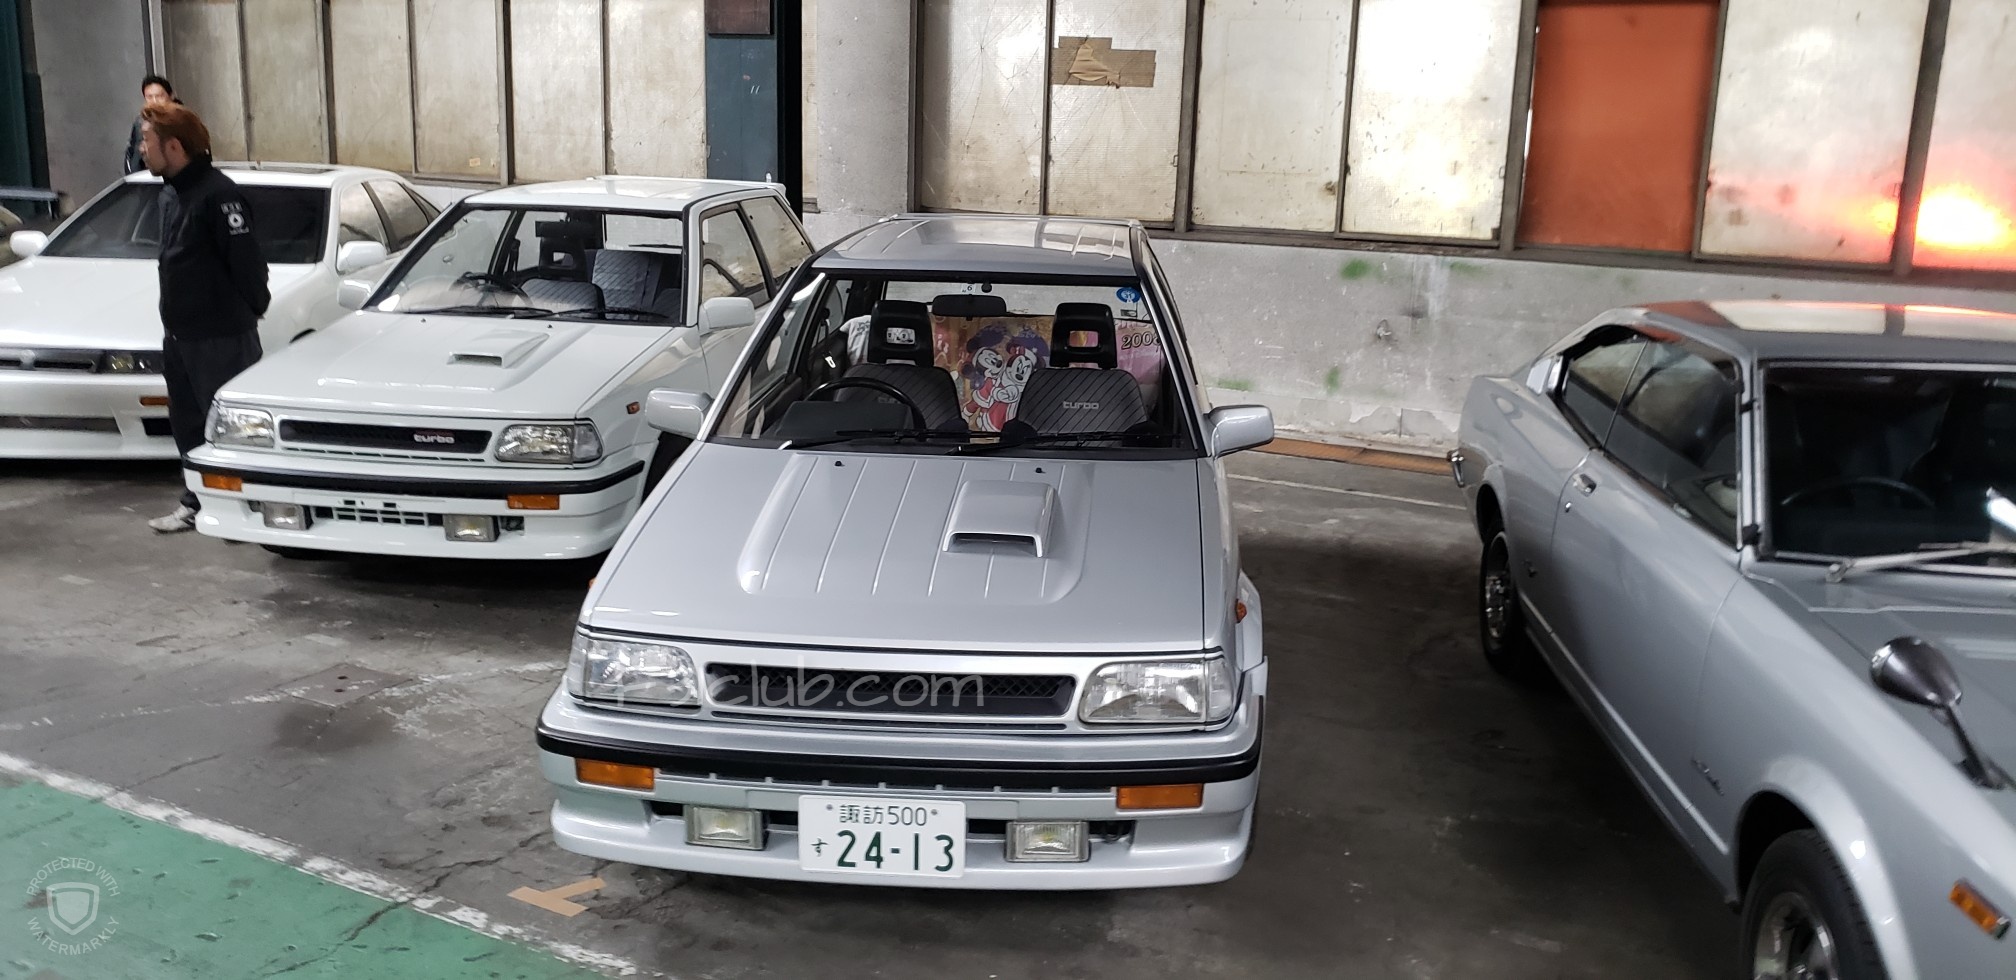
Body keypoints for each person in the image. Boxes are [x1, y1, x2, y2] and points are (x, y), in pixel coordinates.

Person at [138, 102, 269, 533]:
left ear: (174, 146)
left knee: (233, 427)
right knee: (189, 424)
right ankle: (197, 503)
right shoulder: (169, 195)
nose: (141, 149)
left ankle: (249, 508)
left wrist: (252, 309)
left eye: (147, 141)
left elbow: (246, 263)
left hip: (221, 337)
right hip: (181, 337)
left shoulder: (219, 196)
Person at [123, 75, 177, 174]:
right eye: (149, 97)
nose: (154, 101)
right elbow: (132, 155)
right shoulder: (140, 122)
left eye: (159, 96)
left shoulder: (182, 121)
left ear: (171, 96)